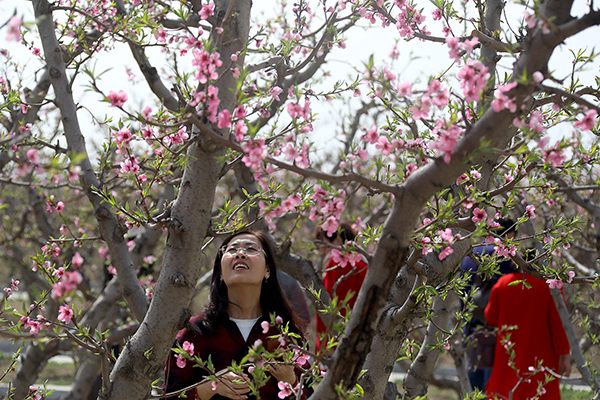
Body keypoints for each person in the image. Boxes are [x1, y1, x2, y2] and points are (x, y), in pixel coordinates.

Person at [164, 230, 308, 400]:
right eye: (232, 250)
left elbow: (314, 395)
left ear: (267, 270)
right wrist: (209, 388)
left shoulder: (287, 334)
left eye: (251, 249)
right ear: (221, 274)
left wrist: (289, 380)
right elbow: (169, 397)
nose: (240, 253)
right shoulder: (194, 333)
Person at [485, 271, 571, 399]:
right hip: (541, 355)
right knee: (538, 391)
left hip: (508, 353)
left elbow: (490, 317)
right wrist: (565, 355)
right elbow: (560, 324)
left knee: (505, 388)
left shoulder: (503, 283)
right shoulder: (551, 285)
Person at [460, 218, 516, 391]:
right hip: (491, 329)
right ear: (510, 234)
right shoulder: (502, 254)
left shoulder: (471, 252)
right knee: (490, 386)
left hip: (468, 325)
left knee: (473, 385)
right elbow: (506, 288)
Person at [314, 223, 368, 353]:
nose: (320, 248)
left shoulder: (341, 262)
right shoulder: (355, 260)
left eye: (322, 241)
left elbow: (341, 305)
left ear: (337, 239)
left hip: (337, 343)